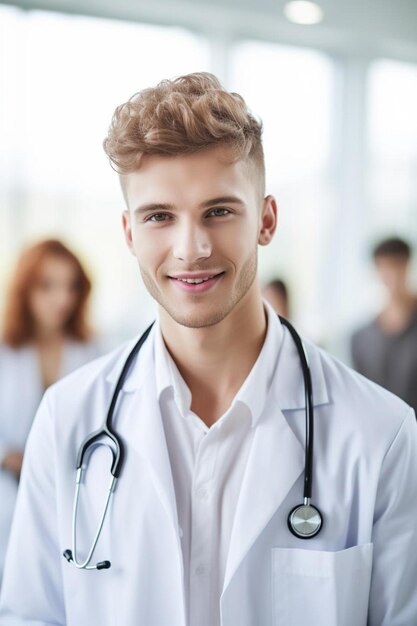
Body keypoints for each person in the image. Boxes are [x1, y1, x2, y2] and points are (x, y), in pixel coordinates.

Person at [0, 74, 416, 626]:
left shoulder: (381, 434)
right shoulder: (67, 417)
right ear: (128, 233)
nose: (191, 249)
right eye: (159, 216)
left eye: (219, 211)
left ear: (266, 219)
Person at [0, 239, 100, 582]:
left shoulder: (93, 352)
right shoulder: (5, 350)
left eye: (70, 286)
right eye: (47, 286)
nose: (62, 299)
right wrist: (10, 458)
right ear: (24, 290)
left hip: (70, 493)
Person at [351, 237, 417, 414]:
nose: (392, 275)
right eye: (385, 267)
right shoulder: (362, 339)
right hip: (384, 434)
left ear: (407, 265)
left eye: (397, 265)